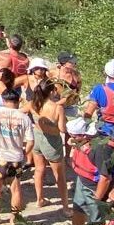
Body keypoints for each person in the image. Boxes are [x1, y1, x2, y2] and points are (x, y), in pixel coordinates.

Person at [0, 88, 33, 223]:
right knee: (16, 189)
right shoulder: (24, 118)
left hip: (0, 157)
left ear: (4, 101)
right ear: (17, 101)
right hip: (16, 158)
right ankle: (14, 219)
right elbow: (30, 142)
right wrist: (24, 152)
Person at [68, 118, 114, 225]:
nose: (71, 139)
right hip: (82, 181)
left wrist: (97, 199)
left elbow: (105, 178)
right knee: (78, 210)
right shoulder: (84, 142)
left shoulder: (101, 149)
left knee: (98, 222)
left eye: (74, 136)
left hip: (95, 188)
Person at [30, 79, 69, 212]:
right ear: (52, 91)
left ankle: (39, 199)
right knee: (60, 176)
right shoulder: (57, 108)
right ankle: (65, 207)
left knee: (39, 169)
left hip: (37, 138)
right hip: (52, 142)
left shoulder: (34, 104)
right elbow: (63, 129)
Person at [51, 52, 82, 117]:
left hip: (70, 106)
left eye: (74, 61)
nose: (74, 63)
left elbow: (78, 92)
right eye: (71, 62)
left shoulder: (76, 75)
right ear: (63, 63)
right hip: (53, 105)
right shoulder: (52, 73)